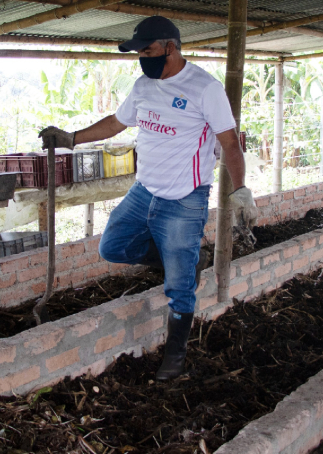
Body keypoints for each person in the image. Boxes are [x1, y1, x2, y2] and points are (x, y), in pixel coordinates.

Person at [39, 16, 257, 381]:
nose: (142, 57)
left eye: (148, 50)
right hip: (143, 193)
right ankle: (190, 262)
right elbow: (117, 122)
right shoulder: (143, 85)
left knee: (179, 288)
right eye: (139, 52)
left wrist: (240, 191)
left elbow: (230, 143)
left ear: (170, 47)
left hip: (184, 200)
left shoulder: (205, 88)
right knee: (113, 246)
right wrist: (70, 138)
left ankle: (175, 359)